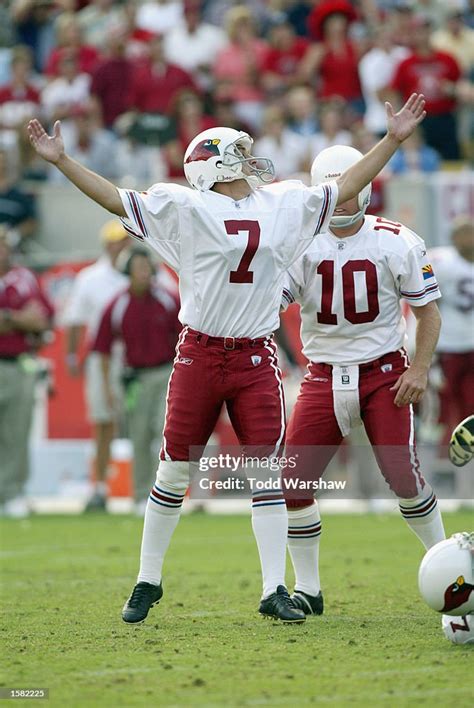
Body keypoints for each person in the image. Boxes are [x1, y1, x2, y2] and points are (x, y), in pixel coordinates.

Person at [27, 91, 427, 625]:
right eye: (236, 151)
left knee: (266, 473)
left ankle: (273, 588)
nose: (248, 157)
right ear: (213, 165)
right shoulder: (186, 206)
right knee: (174, 470)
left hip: (256, 355)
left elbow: (348, 186)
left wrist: (392, 140)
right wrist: (62, 161)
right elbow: (115, 199)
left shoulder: (281, 201)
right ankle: (148, 579)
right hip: (199, 350)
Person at [280, 145, 445, 616]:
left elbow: (428, 314)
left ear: (367, 186)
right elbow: (276, 300)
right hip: (322, 374)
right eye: (336, 188)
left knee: (404, 479)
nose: (344, 198)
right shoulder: (299, 243)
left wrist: (419, 368)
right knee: (294, 481)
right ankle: (308, 589)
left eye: (351, 186)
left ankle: (452, 568)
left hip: (384, 373)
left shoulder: (397, 240)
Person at [93, 247, 180, 515]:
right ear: (127, 271)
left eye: (146, 266)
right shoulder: (117, 305)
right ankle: (142, 494)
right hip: (135, 378)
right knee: (139, 436)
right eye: (138, 266)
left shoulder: (168, 300)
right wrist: (108, 387)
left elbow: (184, 340)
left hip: (166, 372)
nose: (143, 272)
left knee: (164, 431)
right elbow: (104, 349)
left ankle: (169, 493)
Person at [62, 220, 130, 512]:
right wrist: (71, 355)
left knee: (144, 425)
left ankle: (145, 489)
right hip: (101, 356)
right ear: (107, 245)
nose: (120, 247)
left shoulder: (140, 272)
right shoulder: (90, 278)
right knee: (103, 422)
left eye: (123, 242)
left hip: (136, 357)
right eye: (115, 242)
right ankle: (99, 485)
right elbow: (75, 320)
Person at [0, 228, 54, 518]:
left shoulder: (25, 279)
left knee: (16, 431)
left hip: (17, 362)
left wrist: (9, 319)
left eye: (3, 245)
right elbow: (28, 319)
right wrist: (18, 318)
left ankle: (12, 491)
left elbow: (42, 320)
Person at [429, 217, 474, 446]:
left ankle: (465, 453)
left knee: (470, 405)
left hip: (470, 344)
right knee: (444, 403)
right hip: (448, 344)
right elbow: (425, 302)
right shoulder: (442, 263)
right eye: (461, 233)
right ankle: (441, 456)